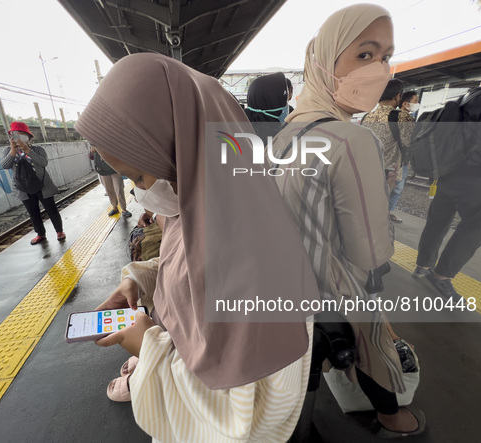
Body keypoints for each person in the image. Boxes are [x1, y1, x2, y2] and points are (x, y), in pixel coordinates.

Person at [76, 52, 322, 442]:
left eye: (137, 176)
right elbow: (188, 264)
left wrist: (147, 346)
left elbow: (240, 422)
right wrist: (140, 282)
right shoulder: (203, 206)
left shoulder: (254, 261)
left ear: (184, 149)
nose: (139, 193)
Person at [272, 4, 425, 438]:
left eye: (385, 56)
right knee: (371, 336)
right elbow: (369, 252)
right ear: (323, 61)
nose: (379, 69)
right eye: (364, 54)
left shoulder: (287, 133)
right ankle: (394, 419)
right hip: (330, 290)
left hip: (283, 285)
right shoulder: (351, 139)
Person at [412, 57, 481, 299]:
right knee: (477, 226)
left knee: (438, 219)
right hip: (476, 176)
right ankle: (442, 276)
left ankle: (423, 265)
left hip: (448, 171)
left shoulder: (465, 98)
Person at [1, 122, 65, 245]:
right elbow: (5, 165)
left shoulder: (38, 149)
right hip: (23, 188)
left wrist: (27, 150)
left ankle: (59, 231)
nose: (19, 137)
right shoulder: (7, 150)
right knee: (33, 212)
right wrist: (13, 150)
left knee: (51, 209)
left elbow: (43, 163)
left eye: (22, 134)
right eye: (15, 134)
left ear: (29, 137)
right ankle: (40, 234)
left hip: (43, 185)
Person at [362, 79, 416, 223]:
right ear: (398, 96)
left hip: (369, 166)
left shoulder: (367, 116)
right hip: (391, 168)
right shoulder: (402, 117)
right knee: (389, 194)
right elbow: (409, 143)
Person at [243, 72, 289, 144]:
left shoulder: (240, 125)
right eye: (284, 100)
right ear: (273, 101)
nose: (287, 104)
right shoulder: (276, 138)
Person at [90, 146, 132, 218]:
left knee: (119, 190)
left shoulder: (109, 141)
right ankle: (115, 207)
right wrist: (91, 151)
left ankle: (124, 209)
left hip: (115, 170)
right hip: (103, 172)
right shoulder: (93, 143)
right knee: (109, 191)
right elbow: (91, 157)